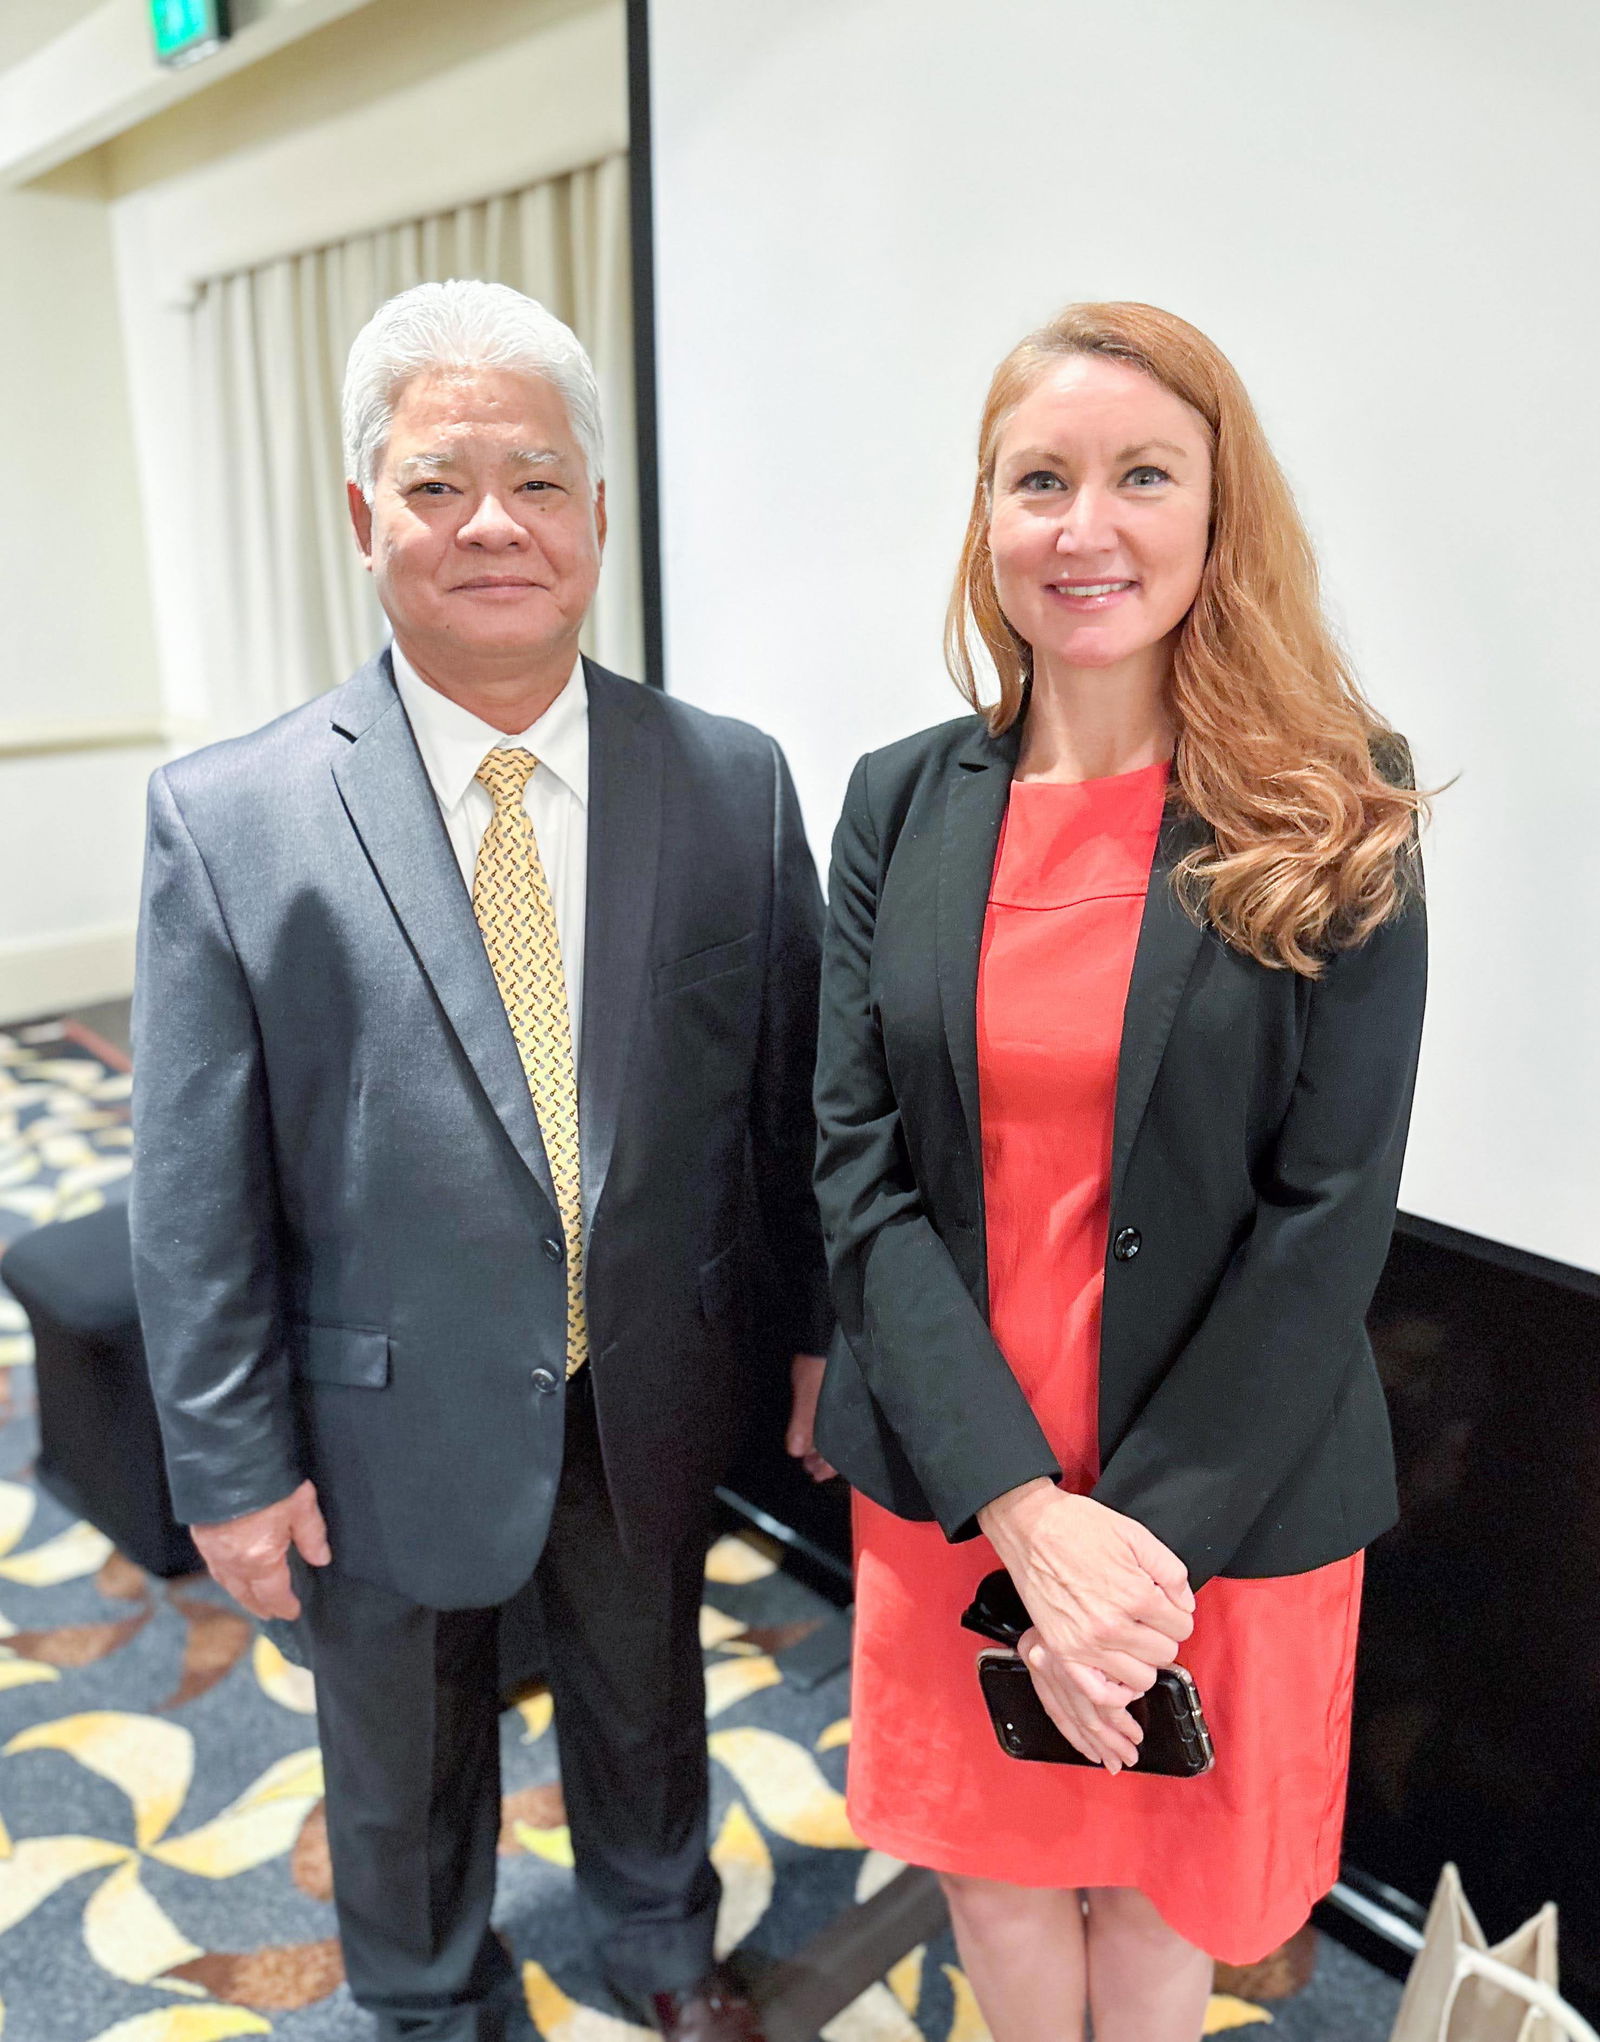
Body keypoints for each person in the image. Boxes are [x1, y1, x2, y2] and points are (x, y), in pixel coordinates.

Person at [130, 279, 832, 2042]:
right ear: (366, 519)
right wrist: (226, 1458)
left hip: (649, 1372)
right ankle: (428, 1989)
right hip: (369, 1406)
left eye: (538, 478)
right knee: (396, 1734)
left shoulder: (731, 783)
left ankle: (663, 1940)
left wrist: (820, 1334)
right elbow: (191, 1183)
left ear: (600, 515)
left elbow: (789, 1103)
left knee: (648, 1686)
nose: (495, 523)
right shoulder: (235, 817)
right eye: (440, 484)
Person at [800, 302, 1429, 2042]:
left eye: (1144, 474)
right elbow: (859, 1173)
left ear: (1220, 512)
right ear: (985, 517)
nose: (1087, 526)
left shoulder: (1334, 804)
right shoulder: (897, 804)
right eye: (1040, 479)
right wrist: (1021, 1513)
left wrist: (1122, 1559)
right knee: (999, 1904)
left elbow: (1330, 1216)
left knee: (1161, 1931)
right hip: (957, 1477)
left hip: (1214, 1498)